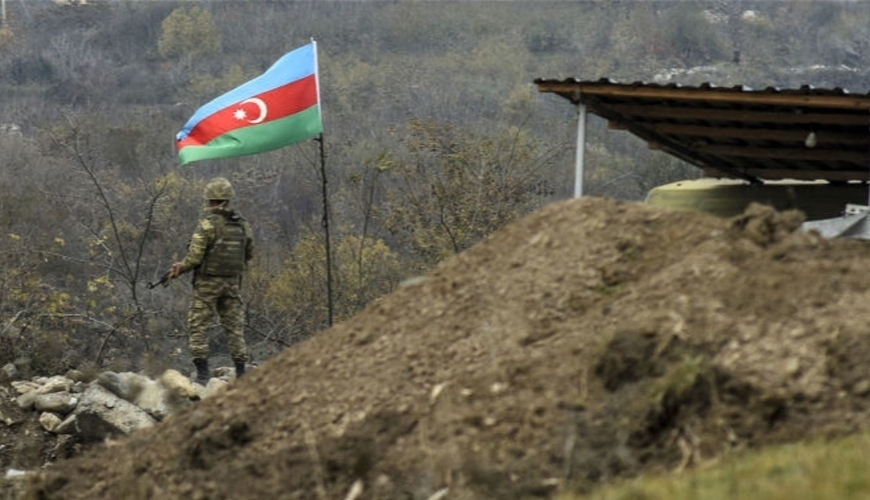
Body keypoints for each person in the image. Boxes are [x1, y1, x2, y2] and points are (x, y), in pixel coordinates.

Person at [169, 177, 253, 385]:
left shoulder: (207, 225)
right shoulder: (243, 225)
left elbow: (195, 257)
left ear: (210, 200)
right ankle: (241, 373)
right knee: (234, 327)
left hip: (207, 284)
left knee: (198, 325)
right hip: (232, 283)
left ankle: (203, 375)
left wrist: (181, 267)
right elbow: (248, 253)